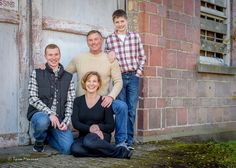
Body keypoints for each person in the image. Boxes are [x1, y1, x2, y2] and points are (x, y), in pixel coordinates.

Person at [66, 30, 129, 148]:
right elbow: (64, 74)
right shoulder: (79, 59)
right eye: (90, 40)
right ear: (87, 42)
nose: (93, 42)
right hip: (84, 103)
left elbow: (118, 81)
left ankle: (121, 142)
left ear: (101, 40)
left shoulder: (110, 59)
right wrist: (48, 67)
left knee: (121, 106)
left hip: (103, 102)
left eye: (96, 39)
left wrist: (111, 96)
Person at [105, 9, 146, 150]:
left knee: (131, 110)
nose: (120, 24)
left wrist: (138, 73)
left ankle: (129, 140)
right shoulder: (110, 39)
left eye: (122, 21)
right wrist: (108, 53)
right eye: (117, 22)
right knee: (122, 108)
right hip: (119, 78)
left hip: (133, 76)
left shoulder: (135, 37)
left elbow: (142, 56)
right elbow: (106, 56)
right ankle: (120, 140)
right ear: (114, 23)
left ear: (127, 21)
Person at [70, 71, 132, 159]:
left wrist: (98, 127)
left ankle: (120, 152)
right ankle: (109, 151)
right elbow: (75, 123)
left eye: (94, 81)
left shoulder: (104, 101)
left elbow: (110, 126)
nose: (91, 84)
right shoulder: (78, 101)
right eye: (89, 81)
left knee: (89, 141)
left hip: (101, 135)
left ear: (99, 84)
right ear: (84, 83)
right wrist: (90, 128)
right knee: (75, 149)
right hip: (84, 135)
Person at [27, 44, 76, 154]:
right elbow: (32, 98)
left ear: (60, 55)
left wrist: (66, 120)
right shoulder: (37, 73)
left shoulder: (68, 77)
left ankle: (48, 137)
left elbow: (70, 101)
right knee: (43, 121)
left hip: (58, 119)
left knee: (68, 149)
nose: (53, 58)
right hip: (40, 114)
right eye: (50, 55)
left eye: (56, 54)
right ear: (45, 56)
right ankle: (39, 142)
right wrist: (50, 114)